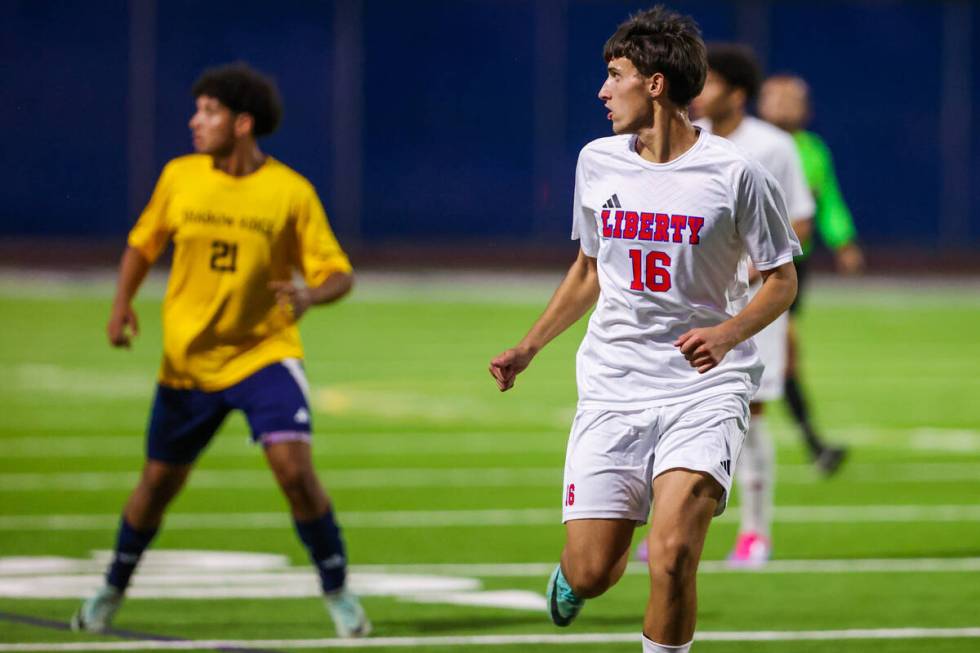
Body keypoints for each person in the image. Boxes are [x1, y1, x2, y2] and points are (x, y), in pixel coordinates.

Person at [488, 8, 799, 651]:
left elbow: (782, 278)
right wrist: (530, 344)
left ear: (654, 84)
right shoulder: (598, 162)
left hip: (703, 389)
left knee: (672, 555)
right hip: (613, 384)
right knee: (595, 569)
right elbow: (587, 269)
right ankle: (573, 577)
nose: (603, 91)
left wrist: (728, 333)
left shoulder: (737, 173)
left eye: (614, 75)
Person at [70, 63, 370, 638]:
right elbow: (141, 244)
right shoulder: (180, 176)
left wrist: (309, 294)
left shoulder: (290, 191)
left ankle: (337, 593)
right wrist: (120, 304)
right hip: (187, 363)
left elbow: (340, 274)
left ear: (242, 123)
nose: (194, 121)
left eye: (208, 111)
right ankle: (111, 586)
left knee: (294, 470)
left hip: (263, 355)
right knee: (156, 487)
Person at [683, 43, 815, 565]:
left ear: (736, 94)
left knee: (753, 412)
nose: (699, 92)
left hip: (757, 305)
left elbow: (800, 221)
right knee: (683, 413)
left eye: (710, 82)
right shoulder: (693, 143)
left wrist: (755, 267)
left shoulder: (773, 145)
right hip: (701, 304)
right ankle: (676, 527)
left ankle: (755, 532)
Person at [758, 73, 862, 472]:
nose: (785, 104)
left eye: (793, 98)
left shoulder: (812, 150)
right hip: (753, 267)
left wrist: (844, 241)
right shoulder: (748, 144)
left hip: (794, 265)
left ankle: (812, 445)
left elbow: (827, 201)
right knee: (784, 354)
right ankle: (814, 445)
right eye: (776, 96)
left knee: (782, 356)